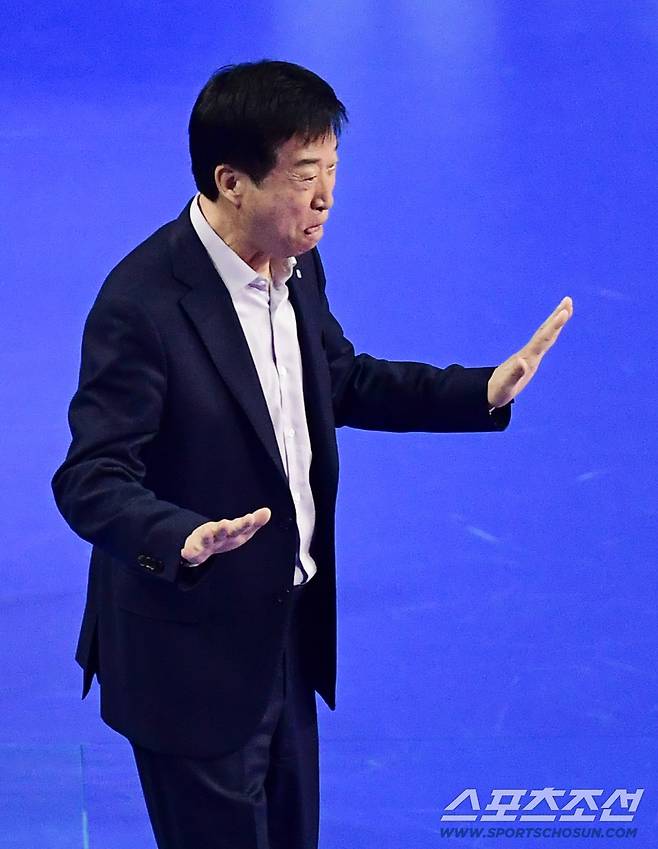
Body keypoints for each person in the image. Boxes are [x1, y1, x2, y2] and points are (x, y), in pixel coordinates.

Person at [51, 59, 573, 849]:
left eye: (332, 168)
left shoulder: (295, 266)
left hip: (285, 634)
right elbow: (90, 476)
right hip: (188, 658)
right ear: (231, 182)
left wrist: (482, 391)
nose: (326, 195)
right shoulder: (140, 305)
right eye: (304, 175)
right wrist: (180, 536)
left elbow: (338, 379)